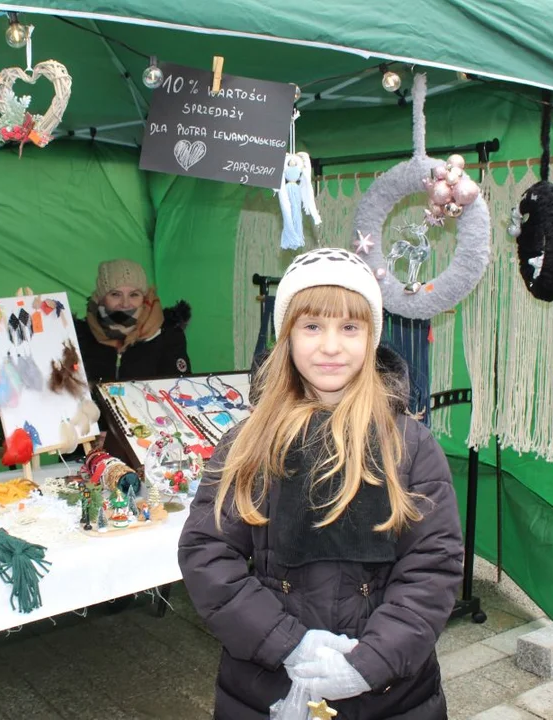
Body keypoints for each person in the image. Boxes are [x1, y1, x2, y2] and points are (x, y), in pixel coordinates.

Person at [178, 248, 464, 719]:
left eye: (349, 328)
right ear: (286, 337)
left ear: (371, 338)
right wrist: (287, 644)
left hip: (389, 695)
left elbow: (432, 568)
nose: (331, 346)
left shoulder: (409, 446)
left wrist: (370, 662)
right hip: (266, 683)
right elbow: (207, 554)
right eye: (312, 327)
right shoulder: (248, 444)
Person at [74, 258, 190, 382]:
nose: (125, 304)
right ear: (101, 298)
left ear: (144, 298)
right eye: (115, 294)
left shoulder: (168, 336)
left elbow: (180, 392)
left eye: (134, 295)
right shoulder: (80, 336)